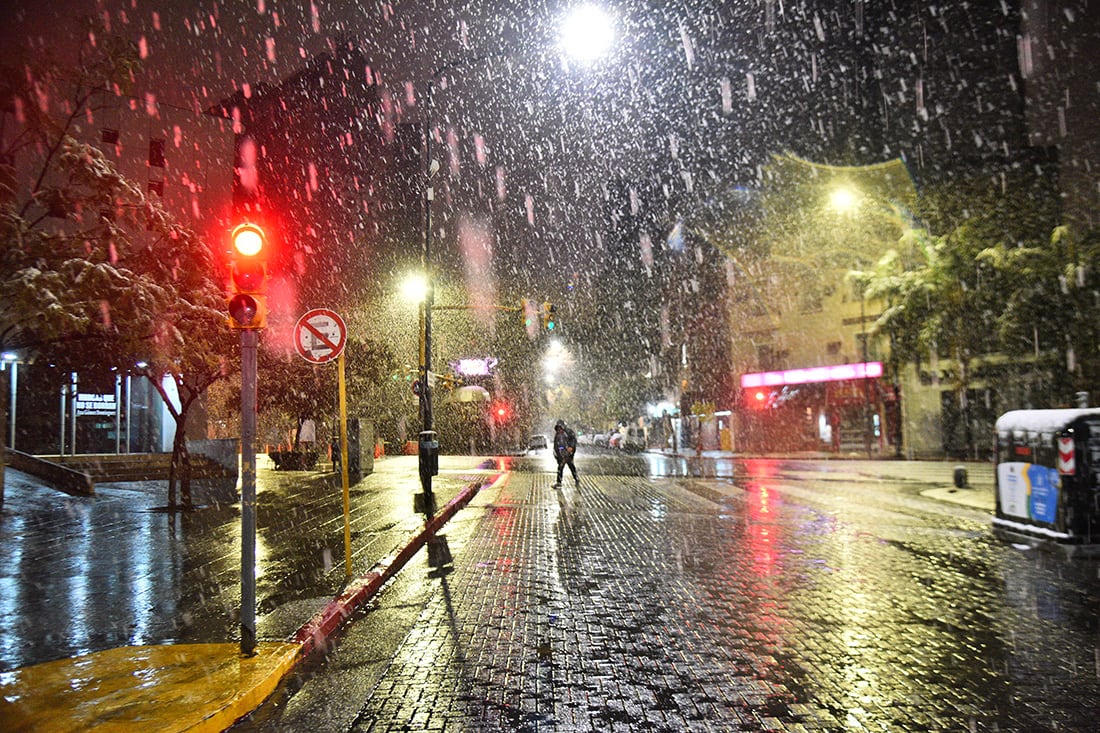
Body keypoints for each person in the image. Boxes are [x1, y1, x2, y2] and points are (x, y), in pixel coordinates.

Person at [553, 419, 578, 487]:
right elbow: (556, 445)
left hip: (569, 454)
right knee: (560, 468)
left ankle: (576, 479)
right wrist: (557, 454)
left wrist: (571, 448)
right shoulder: (557, 434)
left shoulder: (568, 432)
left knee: (571, 466)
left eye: (560, 427)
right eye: (558, 428)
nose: (559, 429)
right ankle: (559, 482)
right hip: (561, 454)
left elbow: (573, 440)